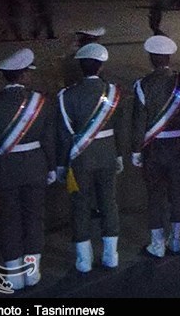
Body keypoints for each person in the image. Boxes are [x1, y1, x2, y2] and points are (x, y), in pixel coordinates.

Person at [0, 48, 56, 290]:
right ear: (23, 75)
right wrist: (52, 166)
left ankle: (13, 276)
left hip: (5, 171)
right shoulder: (41, 102)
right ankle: (32, 272)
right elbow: (49, 140)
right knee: (34, 218)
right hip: (35, 167)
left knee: (9, 221)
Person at [55, 43, 124, 272]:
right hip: (107, 154)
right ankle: (111, 256)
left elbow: (64, 135)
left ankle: (83, 261)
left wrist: (62, 165)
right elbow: (120, 127)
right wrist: (119, 154)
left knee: (80, 206)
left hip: (80, 158)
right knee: (109, 203)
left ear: (80, 67)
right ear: (101, 66)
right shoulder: (113, 92)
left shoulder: (66, 95)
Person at [131, 35, 180, 258]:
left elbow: (139, 121)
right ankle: (176, 240)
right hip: (178, 145)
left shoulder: (143, 84)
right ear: (169, 57)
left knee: (155, 194)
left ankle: (157, 244)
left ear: (151, 58)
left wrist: (136, 150)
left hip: (154, 147)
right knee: (177, 193)